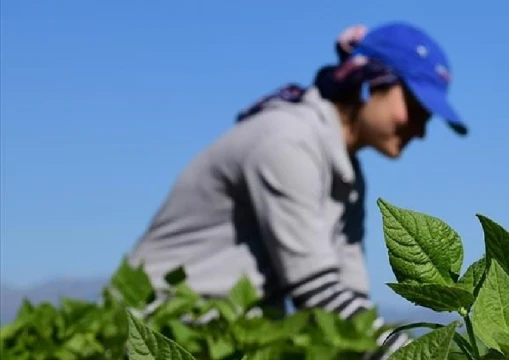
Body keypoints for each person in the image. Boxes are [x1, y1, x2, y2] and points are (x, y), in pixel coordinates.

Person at [127, 21, 468, 358]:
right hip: (158, 326)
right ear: (369, 83)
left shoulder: (346, 176)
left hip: (226, 336)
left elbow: (352, 301)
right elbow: (316, 292)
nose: (421, 129)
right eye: (416, 108)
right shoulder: (286, 141)